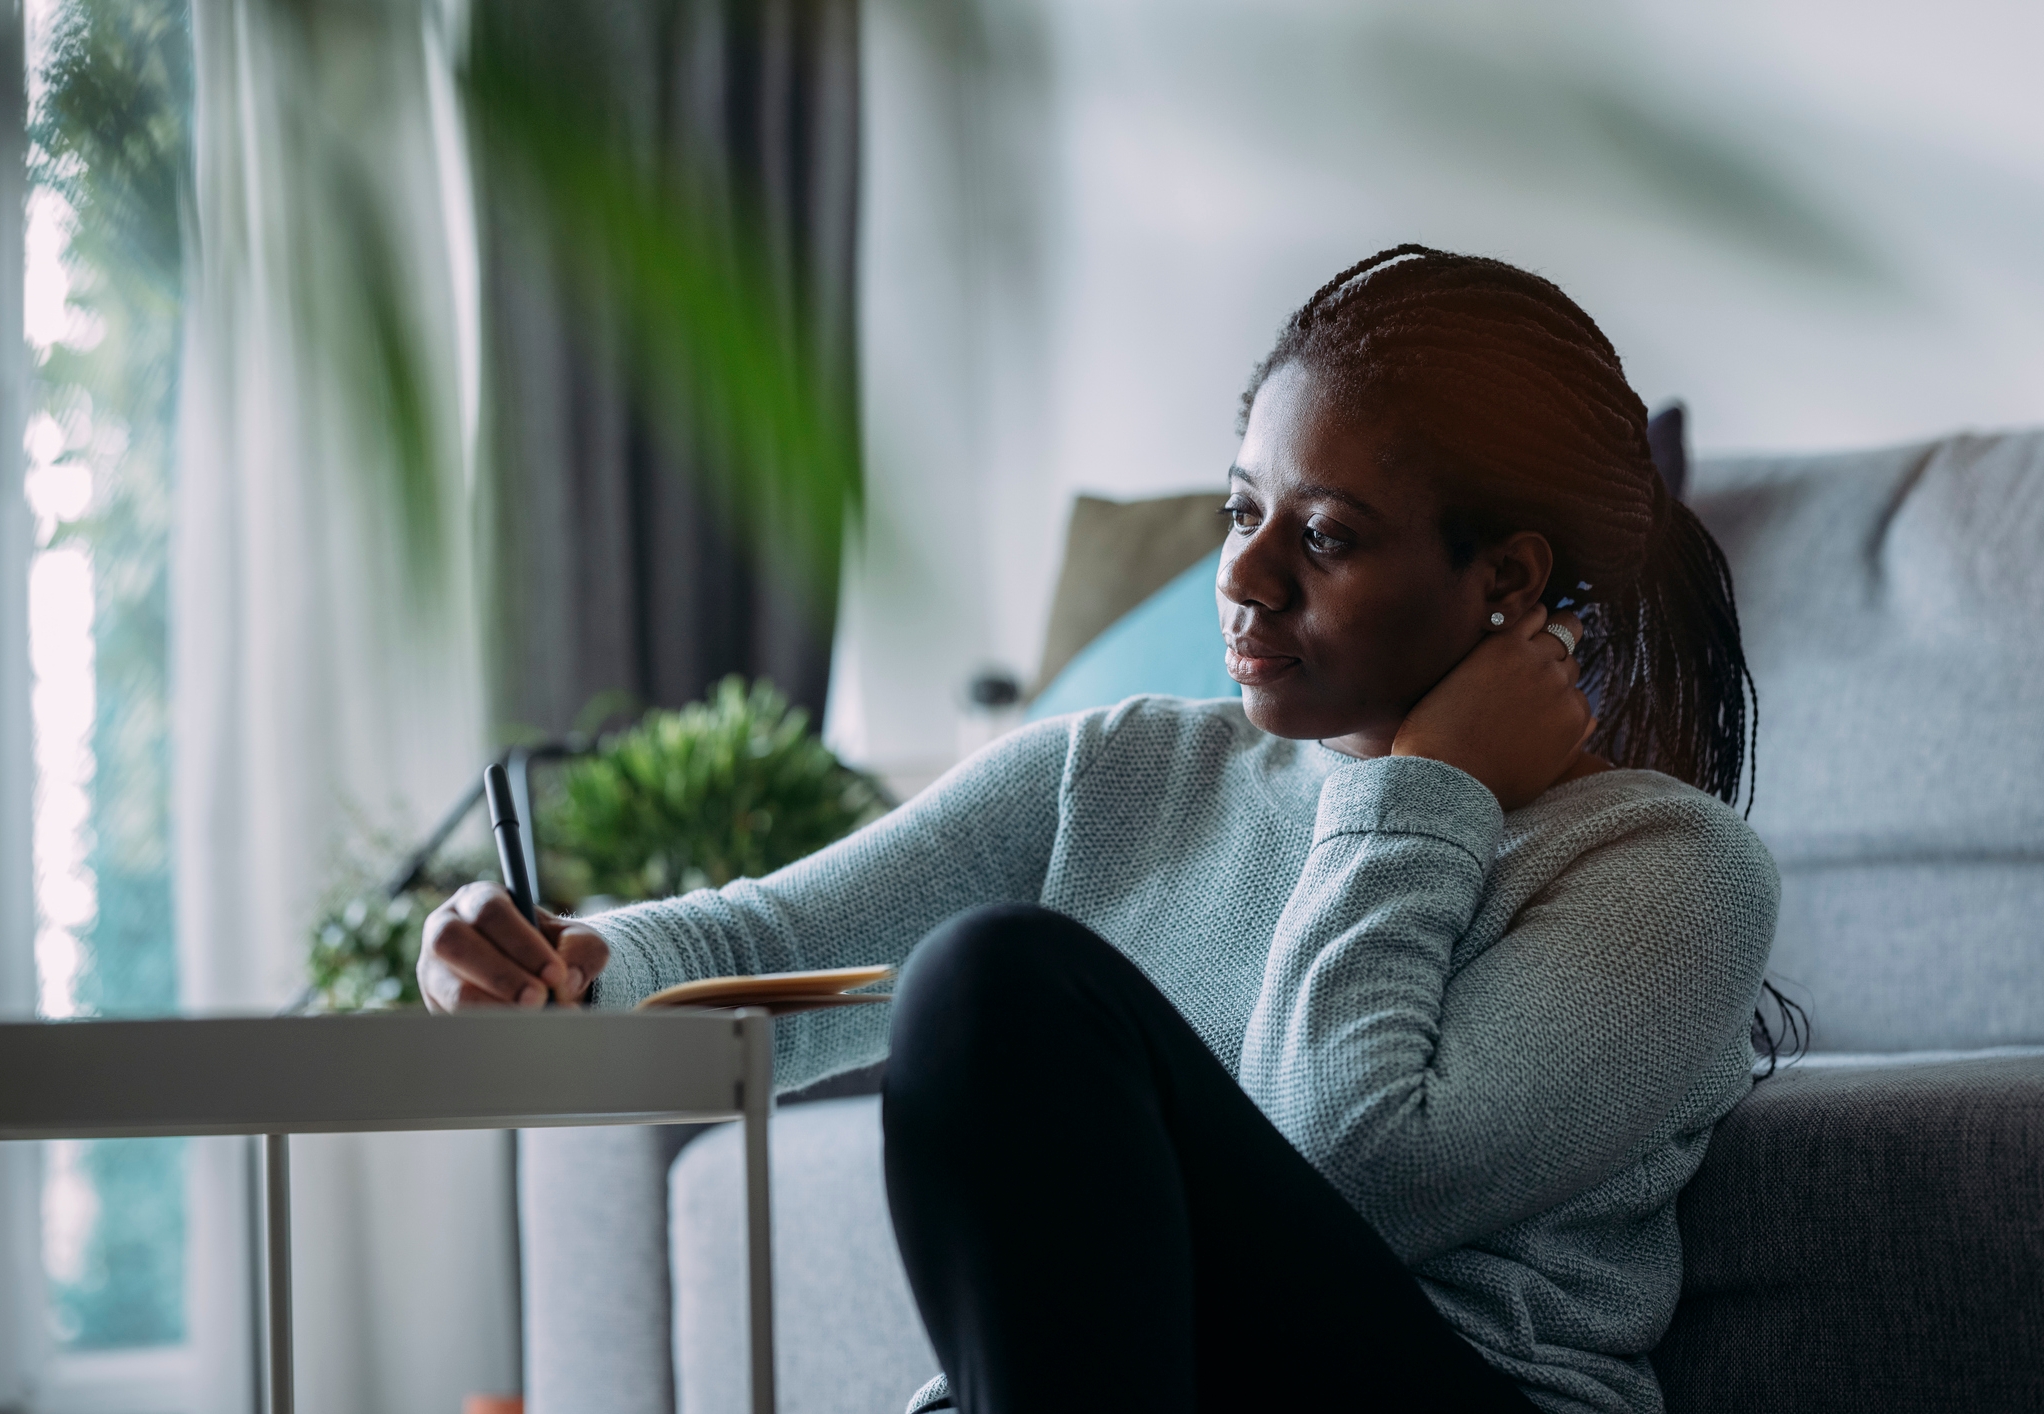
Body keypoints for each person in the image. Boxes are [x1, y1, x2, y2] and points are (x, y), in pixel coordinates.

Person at [419, 246, 1781, 1414]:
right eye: (1240, 509)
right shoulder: (1129, 770)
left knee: (1001, 980)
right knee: (978, 979)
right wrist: (564, 969)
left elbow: (1359, 1162)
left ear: (1508, 578)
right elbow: (774, 950)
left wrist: (1423, 786)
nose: (1239, 579)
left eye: (1323, 536)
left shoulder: (1668, 873)